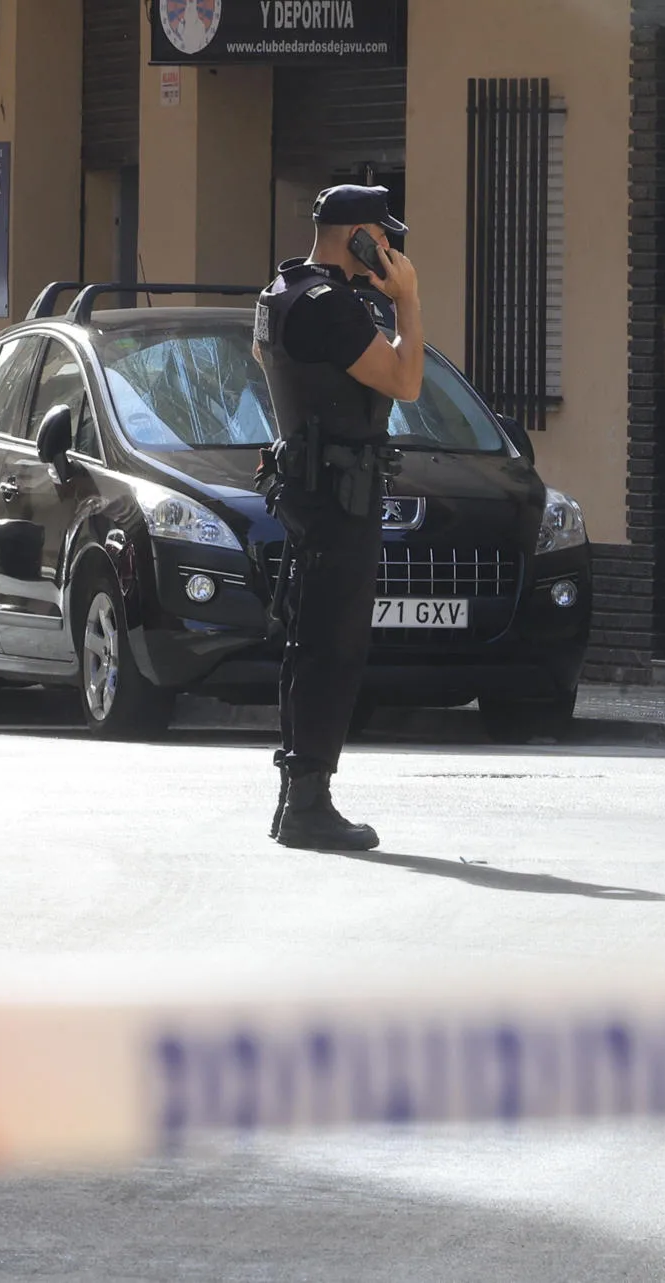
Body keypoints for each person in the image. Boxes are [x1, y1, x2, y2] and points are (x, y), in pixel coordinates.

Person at [253, 184, 426, 850]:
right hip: (338, 490)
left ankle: (297, 796)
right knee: (335, 644)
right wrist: (406, 298)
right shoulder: (333, 306)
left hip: (307, 483)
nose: (388, 250)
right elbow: (406, 380)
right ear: (357, 235)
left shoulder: (283, 291)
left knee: (310, 640)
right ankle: (308, 804)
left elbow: (265, 362)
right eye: (382, 238)